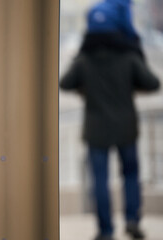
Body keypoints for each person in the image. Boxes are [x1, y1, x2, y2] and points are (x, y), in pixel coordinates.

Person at [60, 1, 160, 240]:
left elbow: (65, 82)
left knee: (101, 181)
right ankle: (132, 220)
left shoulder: (85, 58)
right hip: (126, 126)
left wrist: (84, 86)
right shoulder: (127, 55)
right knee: (131, 175)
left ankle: (105, 230)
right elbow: (153, 83)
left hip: (96, 129)